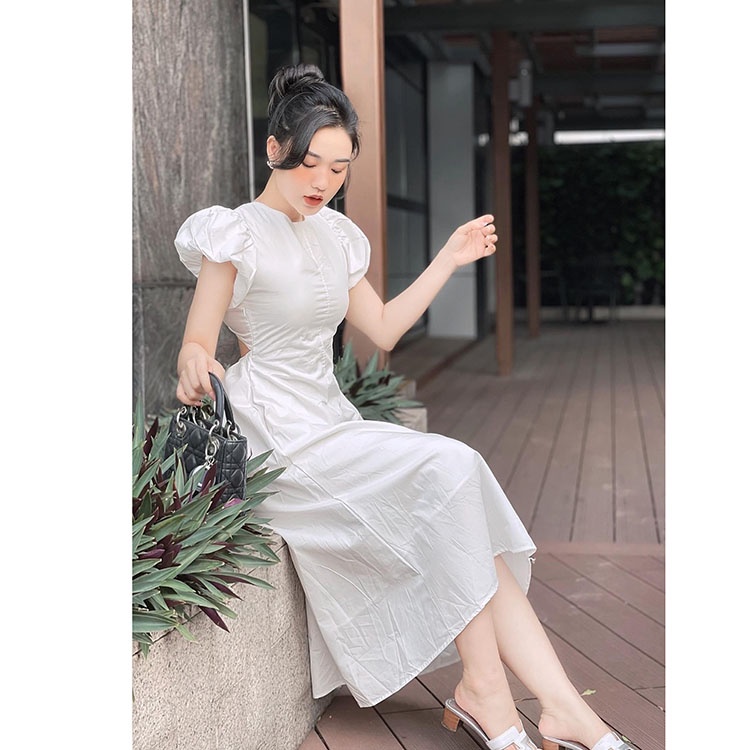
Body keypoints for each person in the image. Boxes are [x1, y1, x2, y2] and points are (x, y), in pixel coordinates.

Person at [173, 63, 633, 750]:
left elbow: (383, 328)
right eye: (308, 163)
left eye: (338, 168)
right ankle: (490, 694)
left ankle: (559, 705)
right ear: (274, 150)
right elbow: (196, 342)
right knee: (451, 470)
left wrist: (447, 258)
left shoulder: (334, 234)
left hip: (329, 418)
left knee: (457, 491)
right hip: (275, 434)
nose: (322, 182)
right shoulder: (234, 234)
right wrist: (195, 365)